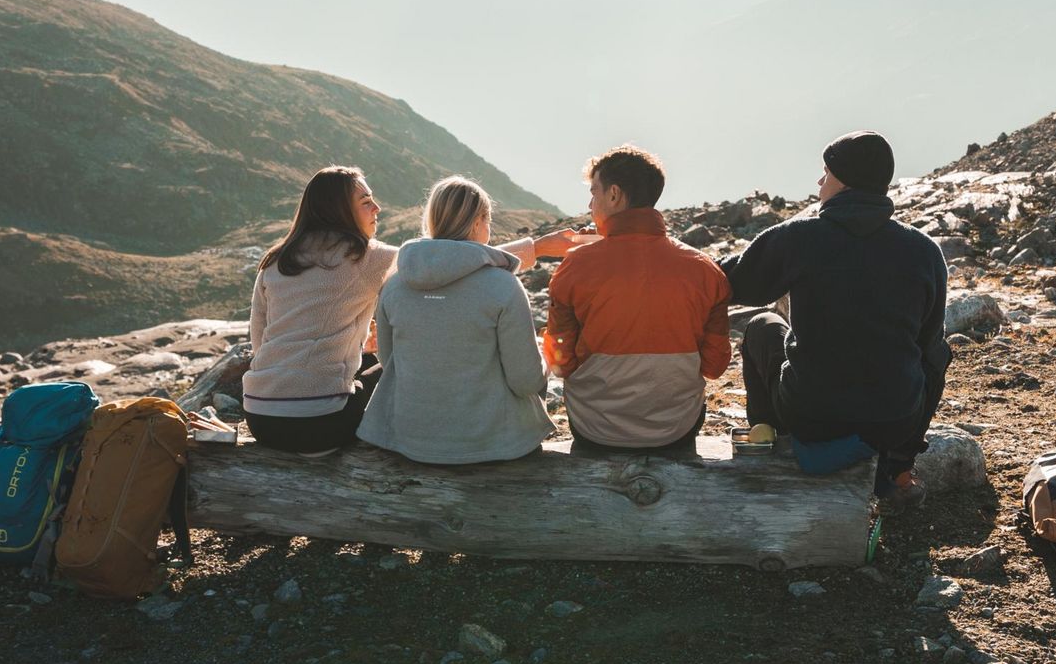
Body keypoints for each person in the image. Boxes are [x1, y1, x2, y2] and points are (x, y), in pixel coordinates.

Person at [720, 130, 950, 503]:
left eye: (825, 172)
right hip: (891, 421)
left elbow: (733, 281)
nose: (819, 181)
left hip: (810, 414)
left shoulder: (800, 237)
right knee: (935, 355)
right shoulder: (924, 250)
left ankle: (769, 446)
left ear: (843, 179)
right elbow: (930, 348)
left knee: (762, 327)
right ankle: (898, 469)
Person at [358, 177, 580, 464]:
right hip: (492, 445)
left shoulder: (395, 285)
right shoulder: (503, 286)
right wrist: (548, 359)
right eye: (488, 220)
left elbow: (390, 364)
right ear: (477, 223)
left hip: (411, 440)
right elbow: (525, 381)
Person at [543, 145, 732, 452]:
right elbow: (714, 366)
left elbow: (560, 365)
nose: (590, 205)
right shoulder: (704, 270)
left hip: (597, 429)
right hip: (675, 428)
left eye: (594, 193)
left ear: (614, 195)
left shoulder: (576, 265)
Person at [241, 166, 396, 454]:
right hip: (320, 425)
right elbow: (433, 265)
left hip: (259, 417)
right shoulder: (366, 255)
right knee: (390, 367)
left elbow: (259, 341)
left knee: (365, 362)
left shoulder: (275, 259)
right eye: (366, 202)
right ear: (339, 211)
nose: (377, 208)